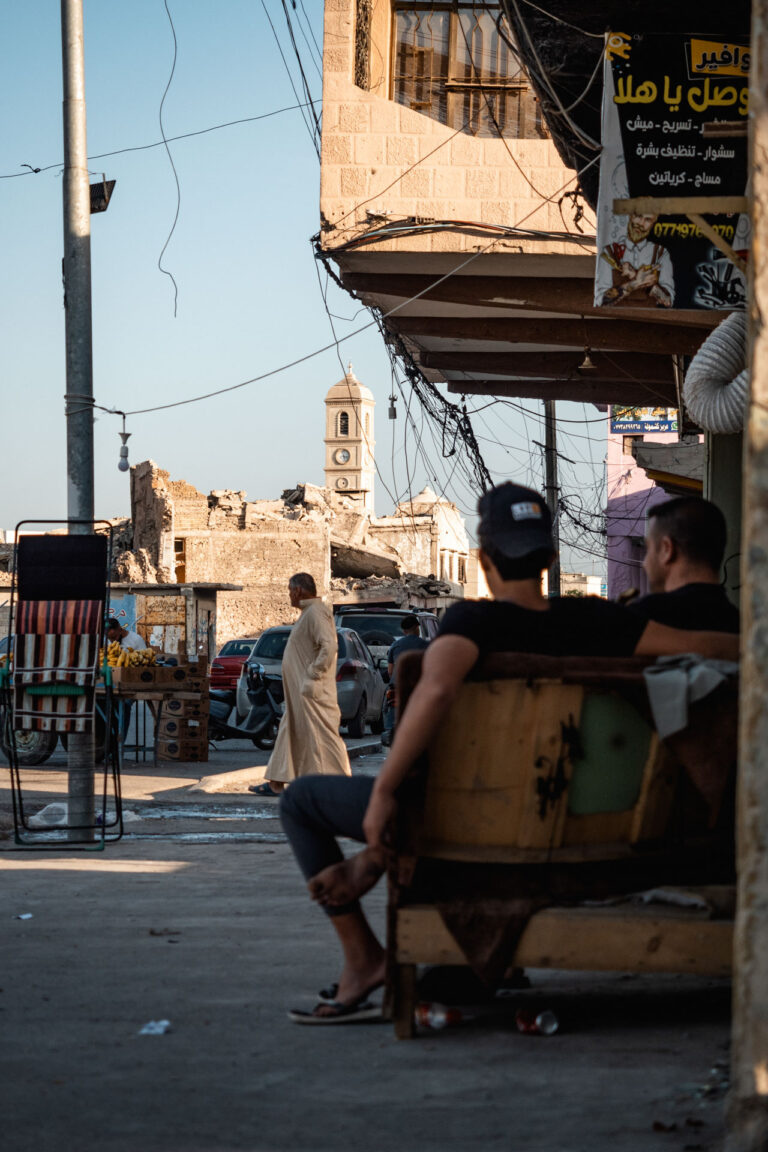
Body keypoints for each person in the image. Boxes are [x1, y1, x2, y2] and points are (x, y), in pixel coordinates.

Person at [279, 483, 739, 1023]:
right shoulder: (602, 622)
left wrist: (384, 793)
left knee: (300, 801)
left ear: (483, 560)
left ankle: (363, 958)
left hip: (470, 827)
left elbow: (437, 687)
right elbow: (718, 647)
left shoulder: (473, 624)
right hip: (589, 829)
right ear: (549, 558)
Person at [249, 573, 351, 798]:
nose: (288, 595)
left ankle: (341, 784)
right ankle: (276, 782)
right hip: (299, 692)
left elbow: (329, 646)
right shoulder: (309, 613)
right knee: (289, 732)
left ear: (298, 591)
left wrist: (312, 675)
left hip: (311, 691)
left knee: (323, 736)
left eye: (289, 590)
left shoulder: (315, 613)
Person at [627, 496, 739, 633]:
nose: (645, 563)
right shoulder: (742, 625)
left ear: (666, 549)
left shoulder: (639, 619)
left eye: (649, 549)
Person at [597, 211, 674, 308]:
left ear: (652, 224)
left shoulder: (660, 254)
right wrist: (635, 283)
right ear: (630, 216)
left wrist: (639, 279)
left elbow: (668, 301)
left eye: (648, 220)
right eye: (638, 216)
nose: (641, 223)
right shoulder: (610, 252)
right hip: (617, 319)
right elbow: (600, 300)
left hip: (649, 319)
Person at [381, 615, 429, 746]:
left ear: (404, 631)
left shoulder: (395, 645)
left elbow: (390, 671)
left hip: (397, 686)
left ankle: (390, 731)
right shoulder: (426, 645)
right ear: (417, 628)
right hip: (419, 688)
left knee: (390, 709)